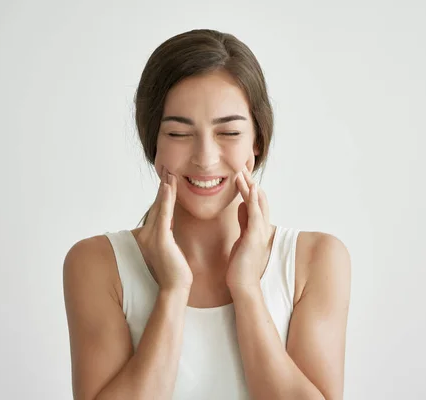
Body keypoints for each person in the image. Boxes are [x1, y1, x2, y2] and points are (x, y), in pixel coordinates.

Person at [63, 29, 351, 400]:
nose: (205, 158)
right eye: (179, 134)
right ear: (153, 144)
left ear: (257, 141)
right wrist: (172, 291)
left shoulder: (316, 260)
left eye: (228, 132)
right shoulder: (97, 264)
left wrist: (246, 289)